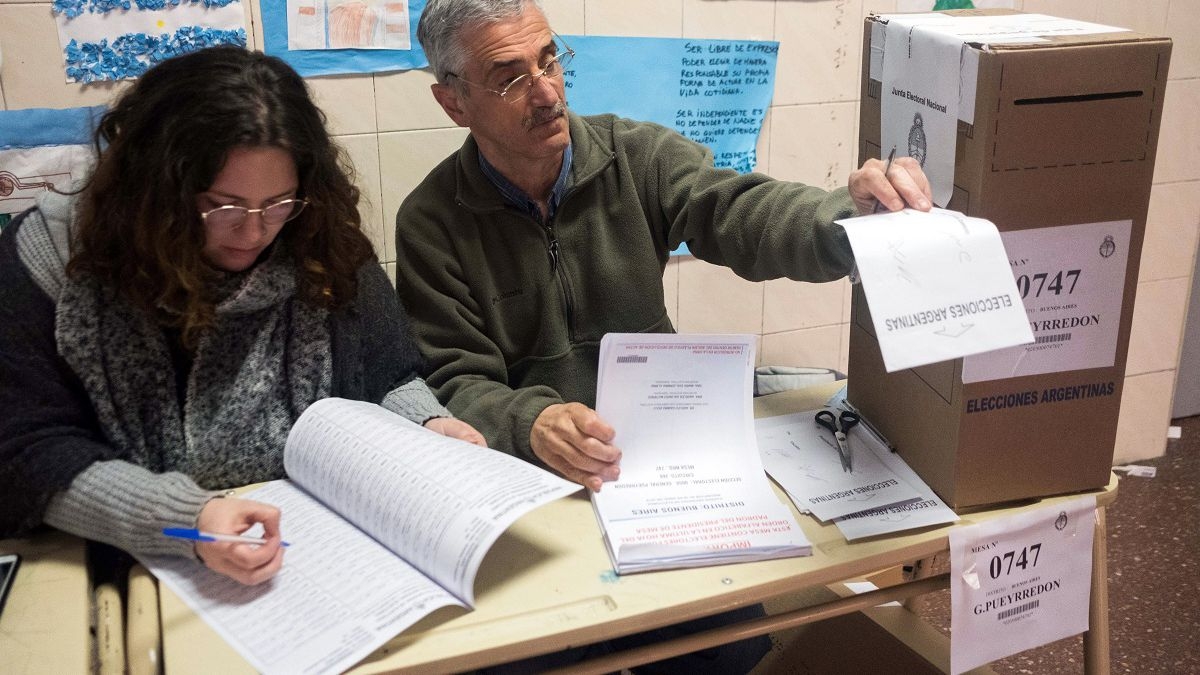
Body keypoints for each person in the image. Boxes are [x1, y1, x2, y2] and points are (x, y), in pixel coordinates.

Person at [397, 1, 931, 671]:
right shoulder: (430, 220)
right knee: (528, 653)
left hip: (658, 466)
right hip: (531, 486)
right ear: (453, 102)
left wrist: (844, 222)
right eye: (509, 77)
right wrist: (532, 421)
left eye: (550, 59)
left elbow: (741, 211)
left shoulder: (636, 157)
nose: (546, 91)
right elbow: (453, 381)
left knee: (720, 647)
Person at [0, 45, 484, 585]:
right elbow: (25, 454)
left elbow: (388, 375)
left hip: (317, 555)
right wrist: (183, 515)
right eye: (223, 206)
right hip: (115, 569)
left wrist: (427, 423)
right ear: (153, 190)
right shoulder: (55, 260)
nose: (254, 232)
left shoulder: (321, 239)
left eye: (279, 203)